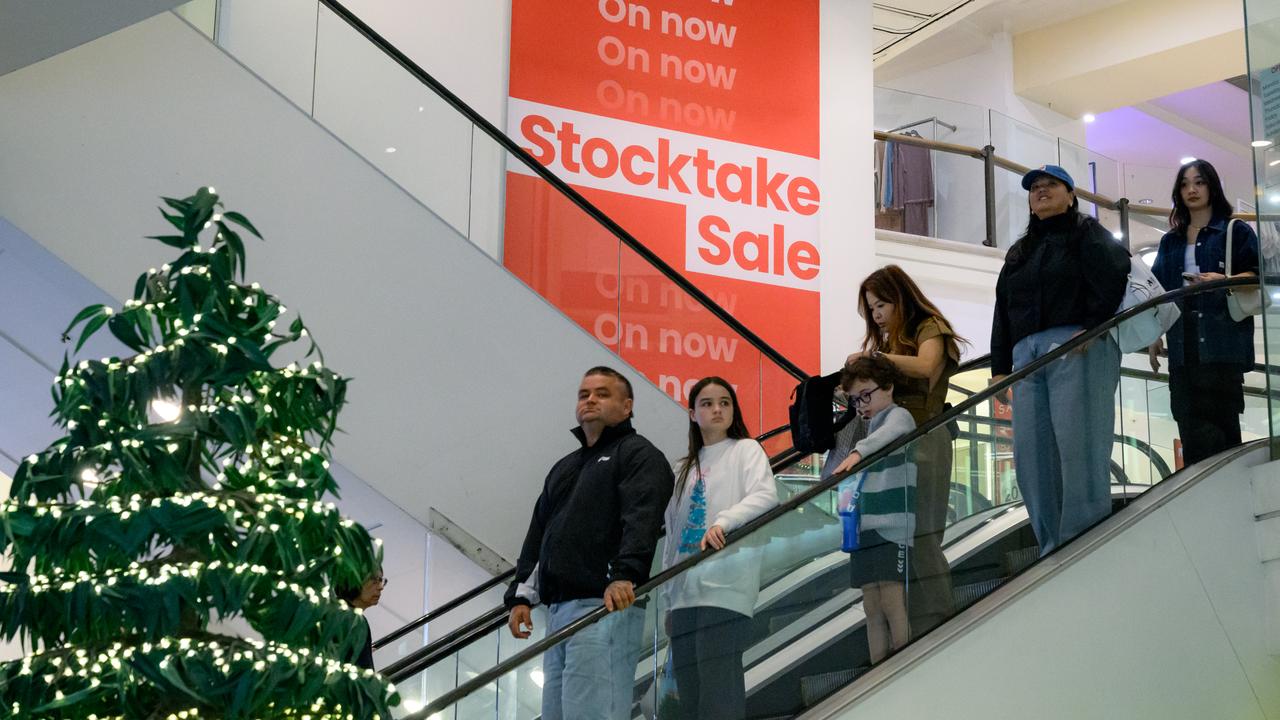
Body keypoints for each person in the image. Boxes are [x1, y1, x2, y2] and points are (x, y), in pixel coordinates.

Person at [504, 366, 674, 720]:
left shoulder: (639, 455)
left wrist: (626, 574)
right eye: (584, 394)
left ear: (627, 406)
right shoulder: (565, 467)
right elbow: (539, 534)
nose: (590, 400)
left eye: (602, 393)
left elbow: (641, 520)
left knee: (594, 714)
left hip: (605, 607)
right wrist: (521, 595)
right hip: (559, 612)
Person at [990, 164, 1130, 556]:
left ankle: (1084, 543)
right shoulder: (1020, 251)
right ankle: (1051, 545)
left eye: (1051, 185)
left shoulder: (1086, 233)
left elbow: (1116, 273)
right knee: (1032, 458)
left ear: (1071, 194)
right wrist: (999, 367)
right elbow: (1003, 309)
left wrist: (1091, 325)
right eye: (1034, 187)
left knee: (1079, 447)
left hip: (1075, 347)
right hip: (1027, 357)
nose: (1041, 191)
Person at [845, 264, 964, 636]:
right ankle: (908, 630)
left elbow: (928, 366)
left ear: (901, 297)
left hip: (925, 439)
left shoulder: (930, 327)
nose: (878, 315)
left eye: (882, 305)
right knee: (897, 545)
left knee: (924, 537)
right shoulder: (887, 343)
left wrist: (879, 360)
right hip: (891, 447)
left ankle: (939, 624)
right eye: (872, 309)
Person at [660, 377, 778, 720]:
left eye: (725, 402)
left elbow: (765, 496)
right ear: (693, 413)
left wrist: (723, 521)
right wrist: (670, 596)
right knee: (691, 694)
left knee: (718, 689)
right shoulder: (684, 467)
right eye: (708, 403)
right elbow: (672, 535)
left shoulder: (745, 450)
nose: (717, 409)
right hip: (684, 596)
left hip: (726, 588)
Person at [1148, 160, 1259, 466]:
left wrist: (1225, 280)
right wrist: (1155, 333)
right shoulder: (1170, 240)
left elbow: (1259, 276)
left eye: (1199, 182)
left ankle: (1228, 504)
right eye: (1184, 184)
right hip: (1183, 350)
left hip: (1222, 346)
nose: (1191, 190)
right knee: (1191, 432)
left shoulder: (1234, 231)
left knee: (1224, 435)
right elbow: (1160, 291)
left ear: (1212, 186)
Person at [830, 356, 917, 663]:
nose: (861, 405)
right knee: (871, 605)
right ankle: (878, 668)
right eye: (855, 400)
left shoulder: (899, 416)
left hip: (892, 528)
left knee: (892, 601)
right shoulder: (867, 430)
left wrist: (858, 452)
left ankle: (902, 664)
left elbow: (894, 432)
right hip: (865, 529)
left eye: (866, 395)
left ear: (889, 387)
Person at [337, 567, 387, 671]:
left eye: (381, 580)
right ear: (354, 580)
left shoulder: (336, 611)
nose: (381, 587)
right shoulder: (355, 621)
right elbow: (363, 677)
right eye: (374, 580)